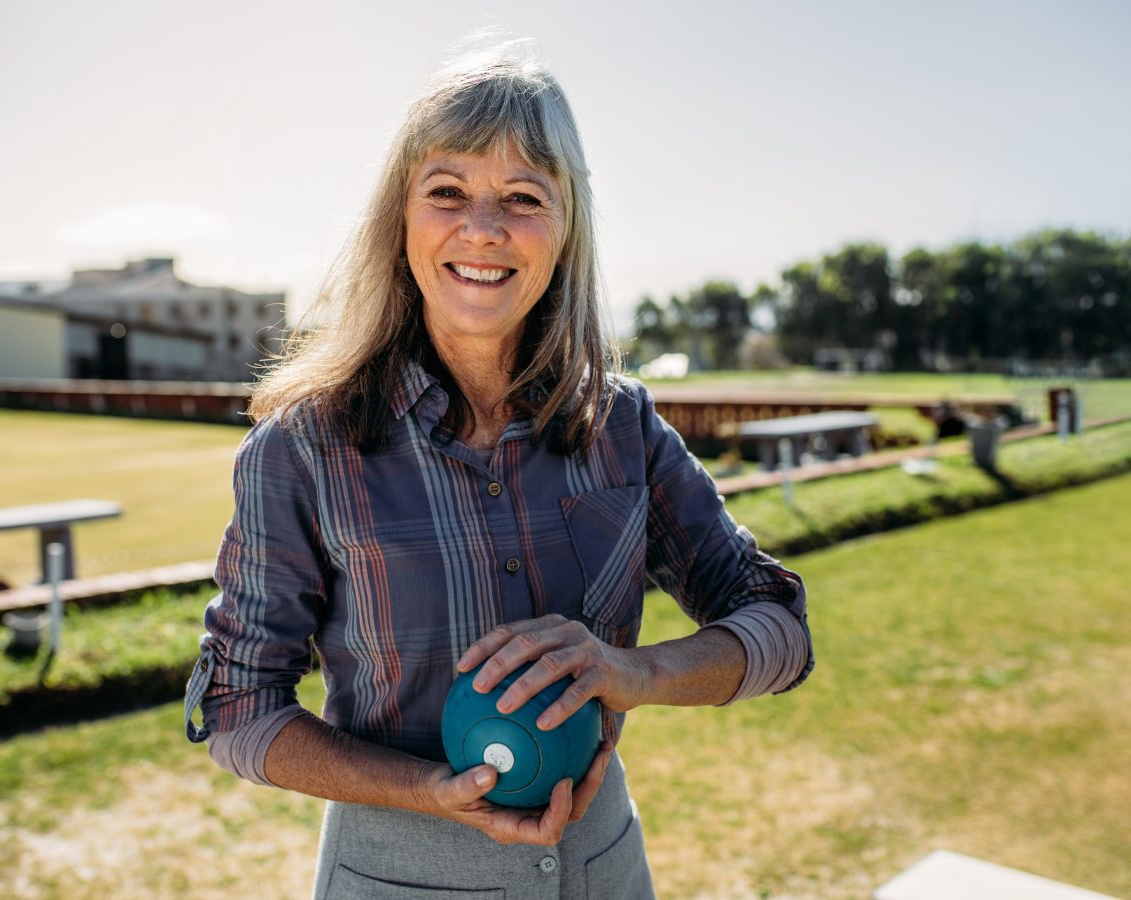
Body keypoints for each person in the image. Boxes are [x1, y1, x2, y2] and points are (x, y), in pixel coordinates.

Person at [184, 37, 813, 900]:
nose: (482, 229)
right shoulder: (302, 449)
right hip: (397, 878)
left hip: (604, 871)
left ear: (564, 232)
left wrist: (638, 673)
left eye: (523, 197)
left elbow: (780, 628)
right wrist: (427, 793)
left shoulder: (619, 422)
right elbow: (238, 714)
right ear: (399, 220)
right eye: (447, 192)